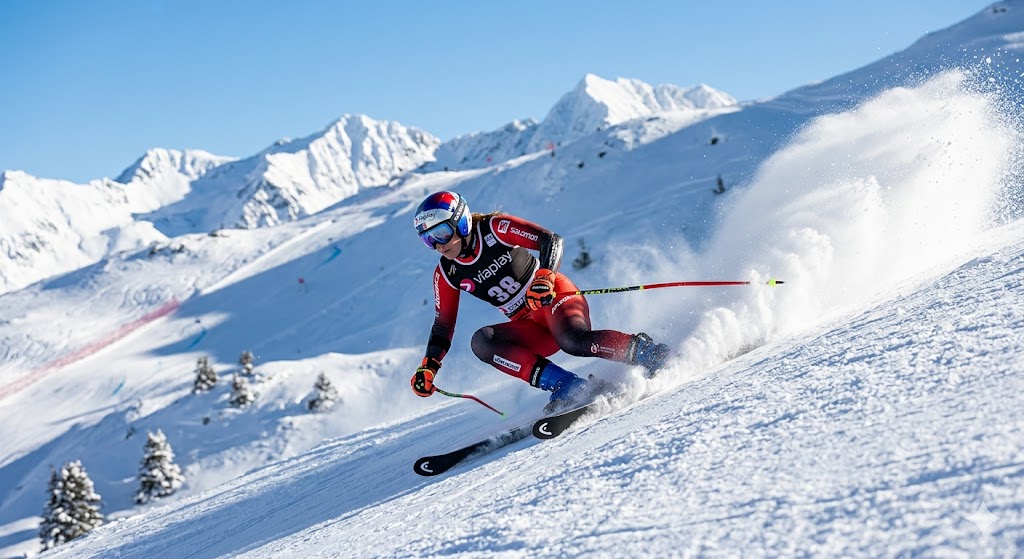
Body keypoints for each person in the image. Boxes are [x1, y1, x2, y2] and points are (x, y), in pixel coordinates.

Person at [410, 190, 670, 411]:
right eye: (428, 240)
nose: (438, 245)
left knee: (573, 341)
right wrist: (429, 366)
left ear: (461, 222)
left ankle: (647, 352)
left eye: (441, 233)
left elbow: (550, 240)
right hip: (529, 324)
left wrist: (544, 277)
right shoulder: (446, 273)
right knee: (482, 342)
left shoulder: (495, 229)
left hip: (553, 296)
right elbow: (443, 325)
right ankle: (569, 386)